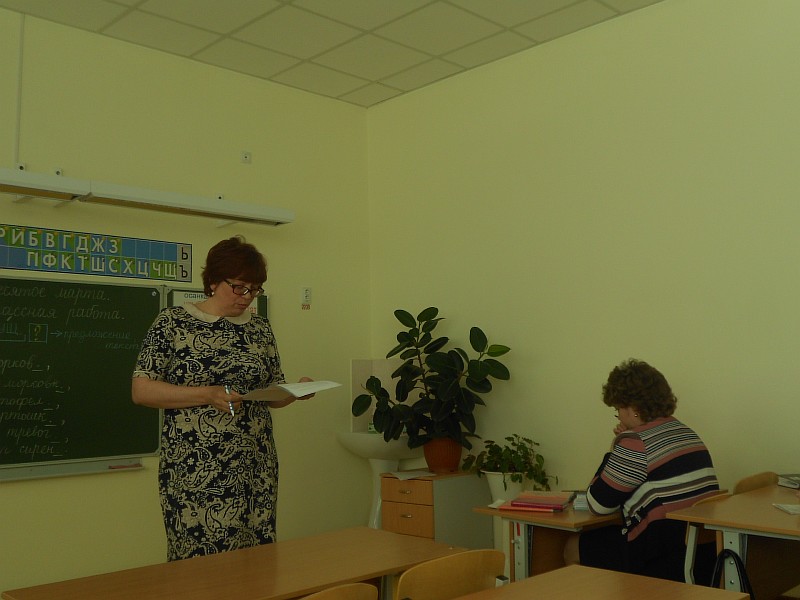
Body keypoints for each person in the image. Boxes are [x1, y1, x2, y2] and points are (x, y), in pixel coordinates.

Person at [132, 236, 313, 561]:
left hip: (256, 465)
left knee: (257, 560)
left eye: (254, 290)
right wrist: (207, 394)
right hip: (196, 469)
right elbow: (141, 390)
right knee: (203, 565)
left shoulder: (260, 329)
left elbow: (271, 394)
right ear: (214, 281)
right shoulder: (173, 323)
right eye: (239, 287)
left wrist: (295, 392)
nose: (247, 297)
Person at [564, 358, 719, 581]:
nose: (618, 415)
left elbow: (597, 504)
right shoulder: (686, 432)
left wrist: (615, 447)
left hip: (662, 558)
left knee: (574, 546)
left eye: (618, 408)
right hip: (701, 555)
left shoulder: (636, 442)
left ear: (634, 409)